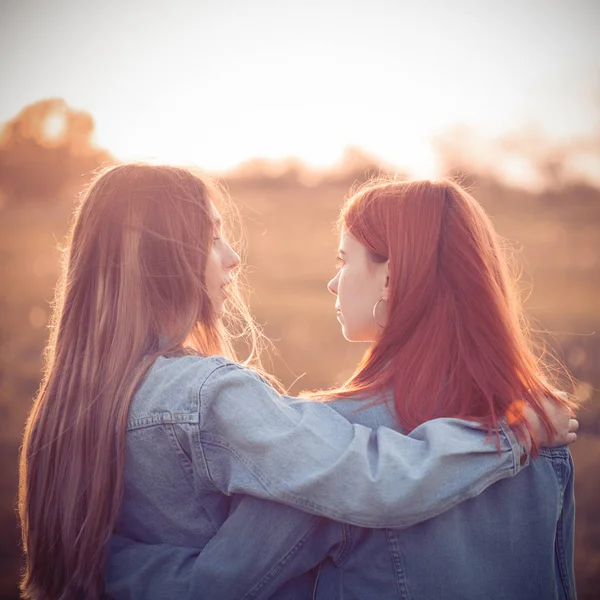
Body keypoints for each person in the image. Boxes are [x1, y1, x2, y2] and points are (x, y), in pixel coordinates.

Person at [17, 165, 575, 600]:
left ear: (392, 274)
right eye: (214, 240)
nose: (234, 258)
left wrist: (108, 564)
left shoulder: (340, 430)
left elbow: (222, 585)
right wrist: (513, 434)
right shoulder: (545, 432)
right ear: (165, 258)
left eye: (343, 258)